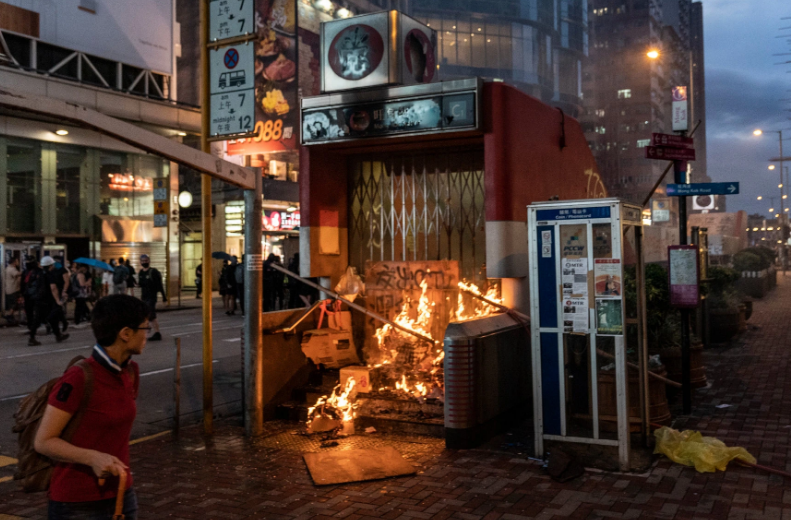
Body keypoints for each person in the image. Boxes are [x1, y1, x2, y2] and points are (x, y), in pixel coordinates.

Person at [34, 294, 149, 520]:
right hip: (76, 503)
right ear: (125, 334)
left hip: (121, 493)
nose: (148, 333)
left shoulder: (131, 372)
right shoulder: (78, 377)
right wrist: (93, 458)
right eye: (144, 327)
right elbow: (44, 441)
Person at [41, 256, 69, 343]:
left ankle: (58, 334)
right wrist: (57, 300)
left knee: (55, 316)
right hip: (51, 298)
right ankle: (55, 325)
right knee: (54, 314)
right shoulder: (51, 274)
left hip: (42, 298)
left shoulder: (41, 273)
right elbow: (53, 288)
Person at [137, 255, 165, 341]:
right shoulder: (141, 272)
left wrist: (164, 296)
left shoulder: (153, 271)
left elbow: (159, 284)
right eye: (143, 261)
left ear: (149, 261)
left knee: (151, 315)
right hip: (144, 297)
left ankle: (157, 333)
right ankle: (148, 332)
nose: (144, 262)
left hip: (152, 296)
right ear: (140, 262)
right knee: (146, 315)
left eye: (146, 260)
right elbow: (141, 284)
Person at [22, 258, 47, 346]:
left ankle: (31, 330)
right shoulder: (40, 272)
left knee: (31, 314)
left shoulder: (26, 272)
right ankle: (32, 333)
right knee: (38, 315)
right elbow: (42, 285)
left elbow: (22, 284)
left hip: (28, 296)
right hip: (36, 297)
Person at [3, 256, 22, 325]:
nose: (18, 262)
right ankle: (9, 315)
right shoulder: (12, 269)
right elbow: (18, 274)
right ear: (14, 262)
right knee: (14, 304)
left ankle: (11, 316)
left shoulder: (7, 268)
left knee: (12, 304)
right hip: (13, 289)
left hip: (9, 289)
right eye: (17, 261)